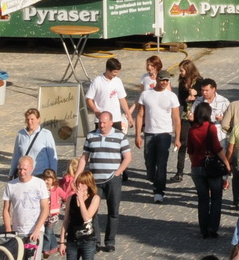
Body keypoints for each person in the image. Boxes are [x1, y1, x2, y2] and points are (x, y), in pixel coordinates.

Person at [82, 109, 131, 252]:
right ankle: (96, 241)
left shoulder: (120, 136)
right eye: (99, 122)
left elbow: (127, 157)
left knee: (113, 211)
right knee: (93, 211)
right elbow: (84, 157)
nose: (101, 125)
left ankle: (110, 241)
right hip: (95, 180)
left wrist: (117, 173)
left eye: (104, 122)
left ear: (111, 122)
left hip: (112, 180)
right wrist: (78, 175)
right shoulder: (91, 136)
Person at [0, 154, 48, 260]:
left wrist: (37, 229)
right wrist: (8, 230)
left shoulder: (39, 183)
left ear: (31, 168)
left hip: (34, 232)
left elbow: (45, 208)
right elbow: (6, 209)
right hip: (17, 233)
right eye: (20, 169)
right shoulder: (11, 185)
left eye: (25, 169)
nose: (22, 172)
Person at [136, 72, 180, 202]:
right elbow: (139, 115)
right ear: (157, 80)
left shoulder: (172, 96)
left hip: (165, 133)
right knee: (149, 161)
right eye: (162, 80)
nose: (165, 83)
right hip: (149, 132)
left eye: (167, 80)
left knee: (162, 163)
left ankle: (159, 191)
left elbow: (176, 118)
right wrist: (138, 135)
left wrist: (177, 138)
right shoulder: (146, 94)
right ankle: (153, 178)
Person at [187, 103, 227, 240]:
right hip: (212, 168)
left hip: (197, 167)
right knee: (216, 198)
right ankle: (212, 228)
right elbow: (217, 148)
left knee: (203, 199)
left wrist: (195, 163)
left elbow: (190, 151)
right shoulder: (210, 128)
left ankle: (203, 229)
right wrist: (227, 162)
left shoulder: (192, 130)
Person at [61, 169, 100, 260]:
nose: (80, 186)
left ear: (88, 184)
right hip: (72, 240)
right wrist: (61, 242)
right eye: (78, 182)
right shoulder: (71, 198)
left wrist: (81, 201)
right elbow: (66, 220)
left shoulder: (95, 198)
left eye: (83, 183)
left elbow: (87, 217)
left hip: (88, 240)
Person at [85, 58, 132, 133]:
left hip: (116, 119)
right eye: (114, 72)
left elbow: (122, 99)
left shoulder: (118, 81)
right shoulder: (97, 81)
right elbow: (89, 99)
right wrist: (95, 110)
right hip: (101, 120)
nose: (116, 74)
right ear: (108, 70)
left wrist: (129, 116)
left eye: (117, 72)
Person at [11, 108, 58, 181]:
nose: (29, 122)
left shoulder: (46, 134)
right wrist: (11, 173)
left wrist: (53, 175)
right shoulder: (21, 134)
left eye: (32, 119)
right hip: (25, 175)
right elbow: (16, 156)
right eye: (27, 120)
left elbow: (52, 157)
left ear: (38, 119)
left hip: (41, 175)